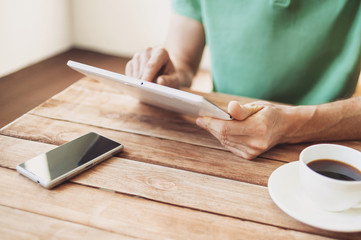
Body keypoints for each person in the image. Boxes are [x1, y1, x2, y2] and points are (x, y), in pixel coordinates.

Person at [125, 0, 361, 159]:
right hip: (222, 138)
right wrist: (166, 75)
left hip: (328, 145)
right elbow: (183, 60)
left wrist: (290, 126)